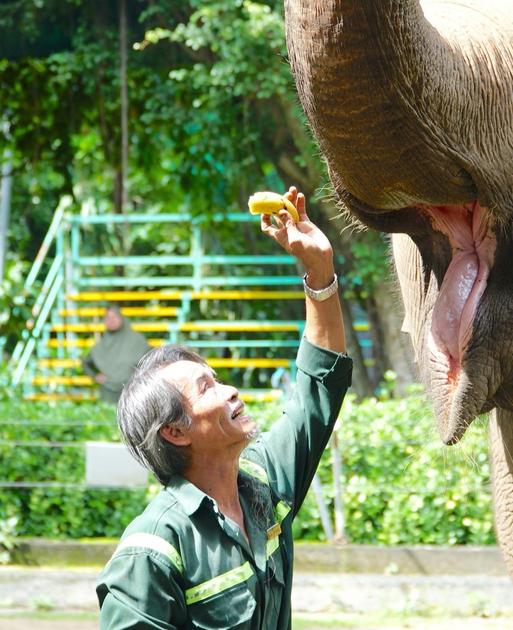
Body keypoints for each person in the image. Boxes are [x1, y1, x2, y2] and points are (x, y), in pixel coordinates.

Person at [96, 187, 351, 629]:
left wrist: (319, 269)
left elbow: (318, 390)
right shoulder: (151, 551)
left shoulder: (262, 484)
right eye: (206, 387)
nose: (231, 391)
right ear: (175, 432)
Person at [83, 306, 154, 404]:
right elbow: (86, 362)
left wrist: (140, 371)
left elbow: (152, 359)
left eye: (114, 317)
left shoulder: (137, 340)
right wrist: (95, 376)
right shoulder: (101, 345)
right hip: (108, 391)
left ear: (121, 318)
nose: (111, 320)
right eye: (108, 318)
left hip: (133, 390)